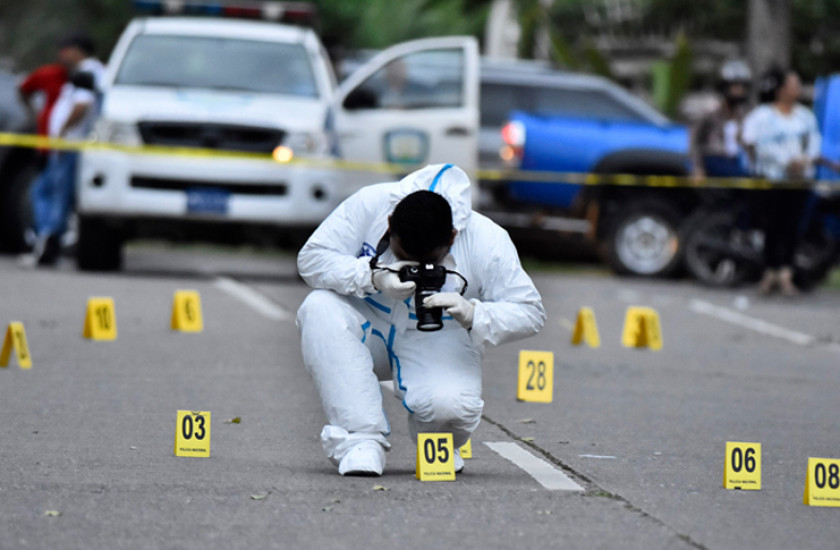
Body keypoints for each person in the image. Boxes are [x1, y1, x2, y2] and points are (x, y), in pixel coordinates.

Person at [296, 164, 545, 476]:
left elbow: (531, 311)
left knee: (451, 411)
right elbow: (312, 258)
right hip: (368, 322)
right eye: (403, 257)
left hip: (436, 334)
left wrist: (473, 314)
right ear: (389, 224)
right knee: (319, 307)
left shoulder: (487, 239)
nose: (415, 269)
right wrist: (372, 276)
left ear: (453, 236)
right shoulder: (370, 203)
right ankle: (360, 440)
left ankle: (439, 439)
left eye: (428, 263)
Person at [742, 67, 821, 295]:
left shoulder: (805, 117)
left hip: (799, 181)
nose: (796, 89)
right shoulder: (763, 116)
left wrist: (802, 162)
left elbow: (813, 144)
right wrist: (783, 162)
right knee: (771, 226)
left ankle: (786, 273)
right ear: (780, 89)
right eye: (792, 85)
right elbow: (753, 142)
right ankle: (769, 271)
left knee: (792, 227)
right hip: (772, 180)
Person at [28, 33, 105, 266]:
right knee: (51, 192)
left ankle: (50, 239)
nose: (62, 54)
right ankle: (50, 238)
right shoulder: (88, 71)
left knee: (50, 193)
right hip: (68, 144)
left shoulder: (88, 71)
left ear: (78, 49)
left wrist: (62, 133)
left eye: (66, 48)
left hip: (70, 145)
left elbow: (82, 105)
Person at [690, 60, 752, 180]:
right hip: (714, 158)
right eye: (735, 86)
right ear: (725, 87)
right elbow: (695, 140)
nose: (739, 91)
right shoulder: (710, 110)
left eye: (742, 86)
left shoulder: (743, 114)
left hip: (735, 160)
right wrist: (697, 167)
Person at [17, 61, 68, 158]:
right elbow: (23, 89)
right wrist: (33, 114)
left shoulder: (80, 78)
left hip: (58, 143)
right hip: (38, 134)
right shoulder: (50, 73)